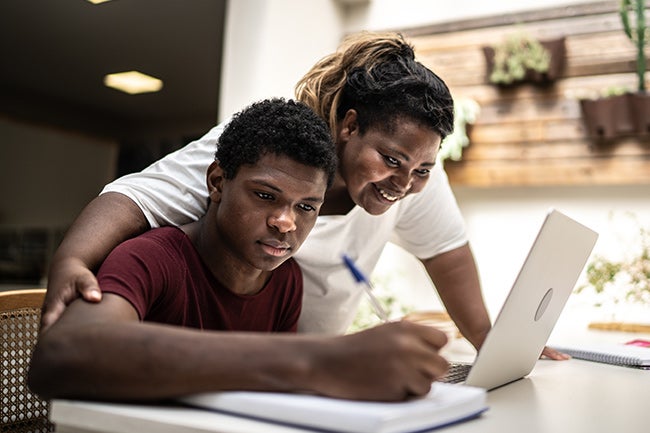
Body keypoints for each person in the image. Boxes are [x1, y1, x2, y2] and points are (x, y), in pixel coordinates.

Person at [40, 31, 565, 359]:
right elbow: (137, 196)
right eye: (392, 161)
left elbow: (446, 253)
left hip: (288, 363)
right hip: (274, 364)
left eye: (422, 169)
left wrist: (491, 345)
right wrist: (71, 258)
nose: (404, 184)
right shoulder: (267, 150)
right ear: (349, 127)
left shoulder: (287, 281)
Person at [28, 98, 450, 402]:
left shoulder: (285, 281)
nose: (286, 222)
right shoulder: (150, 258)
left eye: (306, 207)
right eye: (265, 196)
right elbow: (60, 356)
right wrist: (315, 360)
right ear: (216, 183)